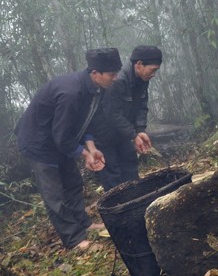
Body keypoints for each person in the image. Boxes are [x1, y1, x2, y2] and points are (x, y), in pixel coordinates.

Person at [15, 48, 122, 250]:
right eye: (111, 74)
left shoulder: (95, 90)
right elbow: (62, 137)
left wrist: (91, 148)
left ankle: (84, 223)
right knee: (54, 195)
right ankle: (74, 239)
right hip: (39, 144)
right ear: (95, 73)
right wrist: (84, 154)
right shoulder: (71, 93)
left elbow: (85, 120)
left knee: (73, 182)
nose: (115, 78)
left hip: (60, 140)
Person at [88, 45, 162, 192]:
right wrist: (133, 135)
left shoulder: (142, 79)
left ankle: (137, 203)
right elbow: (112, 114)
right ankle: (119, 209)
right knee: (113, 175)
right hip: (104, 135)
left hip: (122, 133)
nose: (154, 74)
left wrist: (140, 130)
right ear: (139, 64)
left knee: (130, 166)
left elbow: (142, 105)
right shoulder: (118, 80)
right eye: (152, 69)